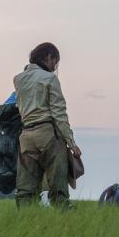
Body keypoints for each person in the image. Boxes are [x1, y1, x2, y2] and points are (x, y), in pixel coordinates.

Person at [13, 42, 80, 209]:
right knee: (58, 188)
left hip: (26, 136)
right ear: (48, 57)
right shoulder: (50, 78)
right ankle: (63, 219)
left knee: (26, 189)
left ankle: (24, 223)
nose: (55, 66)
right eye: (55, 61)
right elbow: (59, 114)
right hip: (48, 134)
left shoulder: (18, 79)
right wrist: (71, 143)